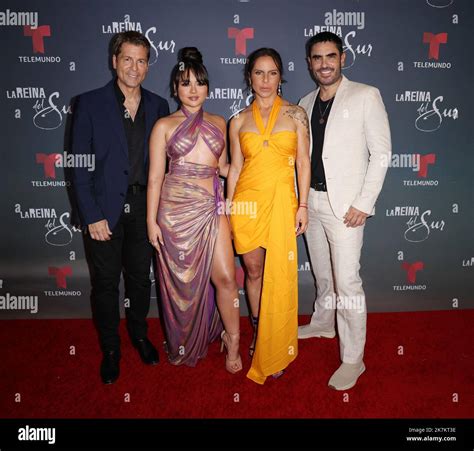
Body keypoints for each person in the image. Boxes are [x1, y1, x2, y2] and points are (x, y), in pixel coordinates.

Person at [71, 31, 169, 384]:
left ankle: (140, 335)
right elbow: (78, 164)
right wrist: (91, 214)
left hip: (146, 207)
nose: (134, 67)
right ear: (114, 61)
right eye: (127, 59)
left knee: (141, 280)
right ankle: (111, 348)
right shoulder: (89, 103)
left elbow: (166, 164)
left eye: (141, 60)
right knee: (106, 282)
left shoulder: (159, 106)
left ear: (147, 65)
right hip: (103, 209)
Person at [298, 32, 391, 390]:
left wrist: (363, 204)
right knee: (323, 273)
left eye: (330, 56)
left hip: (347, 208)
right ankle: (323, 323)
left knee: (348, 282)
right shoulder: (304, 102)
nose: (324, 63)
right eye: (317, 58)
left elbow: (381, 154)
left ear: (343, 57)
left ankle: (353, 359)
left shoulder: (366, 95)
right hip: (313, 202)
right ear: (309, 62)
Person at [147, 47, 242, 373]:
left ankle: (233, 340)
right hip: (173, 213)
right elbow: (156, 177)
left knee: (227, 278)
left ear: (207, 87)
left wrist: (253, 165)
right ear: (175, 88)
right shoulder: (163, 126)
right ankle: (183, 340)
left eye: (199, 83)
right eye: (185, 83)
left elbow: (225, 167)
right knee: (182, 285)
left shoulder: (219, 122)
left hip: (212, 209)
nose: (192, 90)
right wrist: (150, 221)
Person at [228, 48, 311, 384]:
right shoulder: (238, 120)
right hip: (246, 203)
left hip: (281, 203)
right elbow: (235, 168)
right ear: (249, 76)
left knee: (278, 274)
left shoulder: (297, 115)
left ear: (280, 77)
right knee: (253, 269)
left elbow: (303, 163)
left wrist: (303, 205)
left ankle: (274, 345)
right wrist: (227, 208)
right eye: (258, 73)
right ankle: (260, 331)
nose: (265, 80)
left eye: (272, 73)